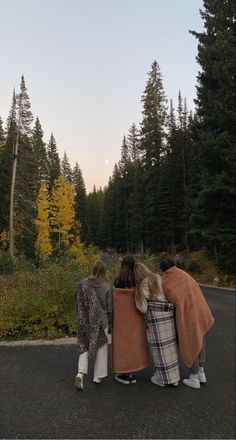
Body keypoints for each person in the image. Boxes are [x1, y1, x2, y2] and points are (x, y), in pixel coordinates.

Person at [160, 258, 215, 389]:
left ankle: (194, 377)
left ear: (163, 269)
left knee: (190, 342)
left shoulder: (166, 281)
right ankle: (201, 372)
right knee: (199, 339)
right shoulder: (184, 274)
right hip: (201, 310)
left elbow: (170, 300)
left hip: (187, 314)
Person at [134, 262, 180, 387]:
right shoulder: (157, 277)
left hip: (156, 317)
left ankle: (162, 379)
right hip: (168, 314)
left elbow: (143, 308)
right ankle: (174, 378)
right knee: (170, 347)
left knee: (159, 348)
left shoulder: (141, 286)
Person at [74, 260, 113, 390]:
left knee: (84, 345)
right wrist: (111, 320)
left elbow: (77, 301)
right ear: (104, 271)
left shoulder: (83, 283)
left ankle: (80, 373)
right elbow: (109, 308)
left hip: (85, 319)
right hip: (101, 321)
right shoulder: (107, 286)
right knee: (101, 347)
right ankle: (98, 376)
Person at [112, 256, 150, 384]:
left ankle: (124, 372)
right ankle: (132, 372)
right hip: (134, 317)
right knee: (133, 343)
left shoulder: (117, 281)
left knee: (122, 343)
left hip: (121, 318)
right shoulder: (136, 281)